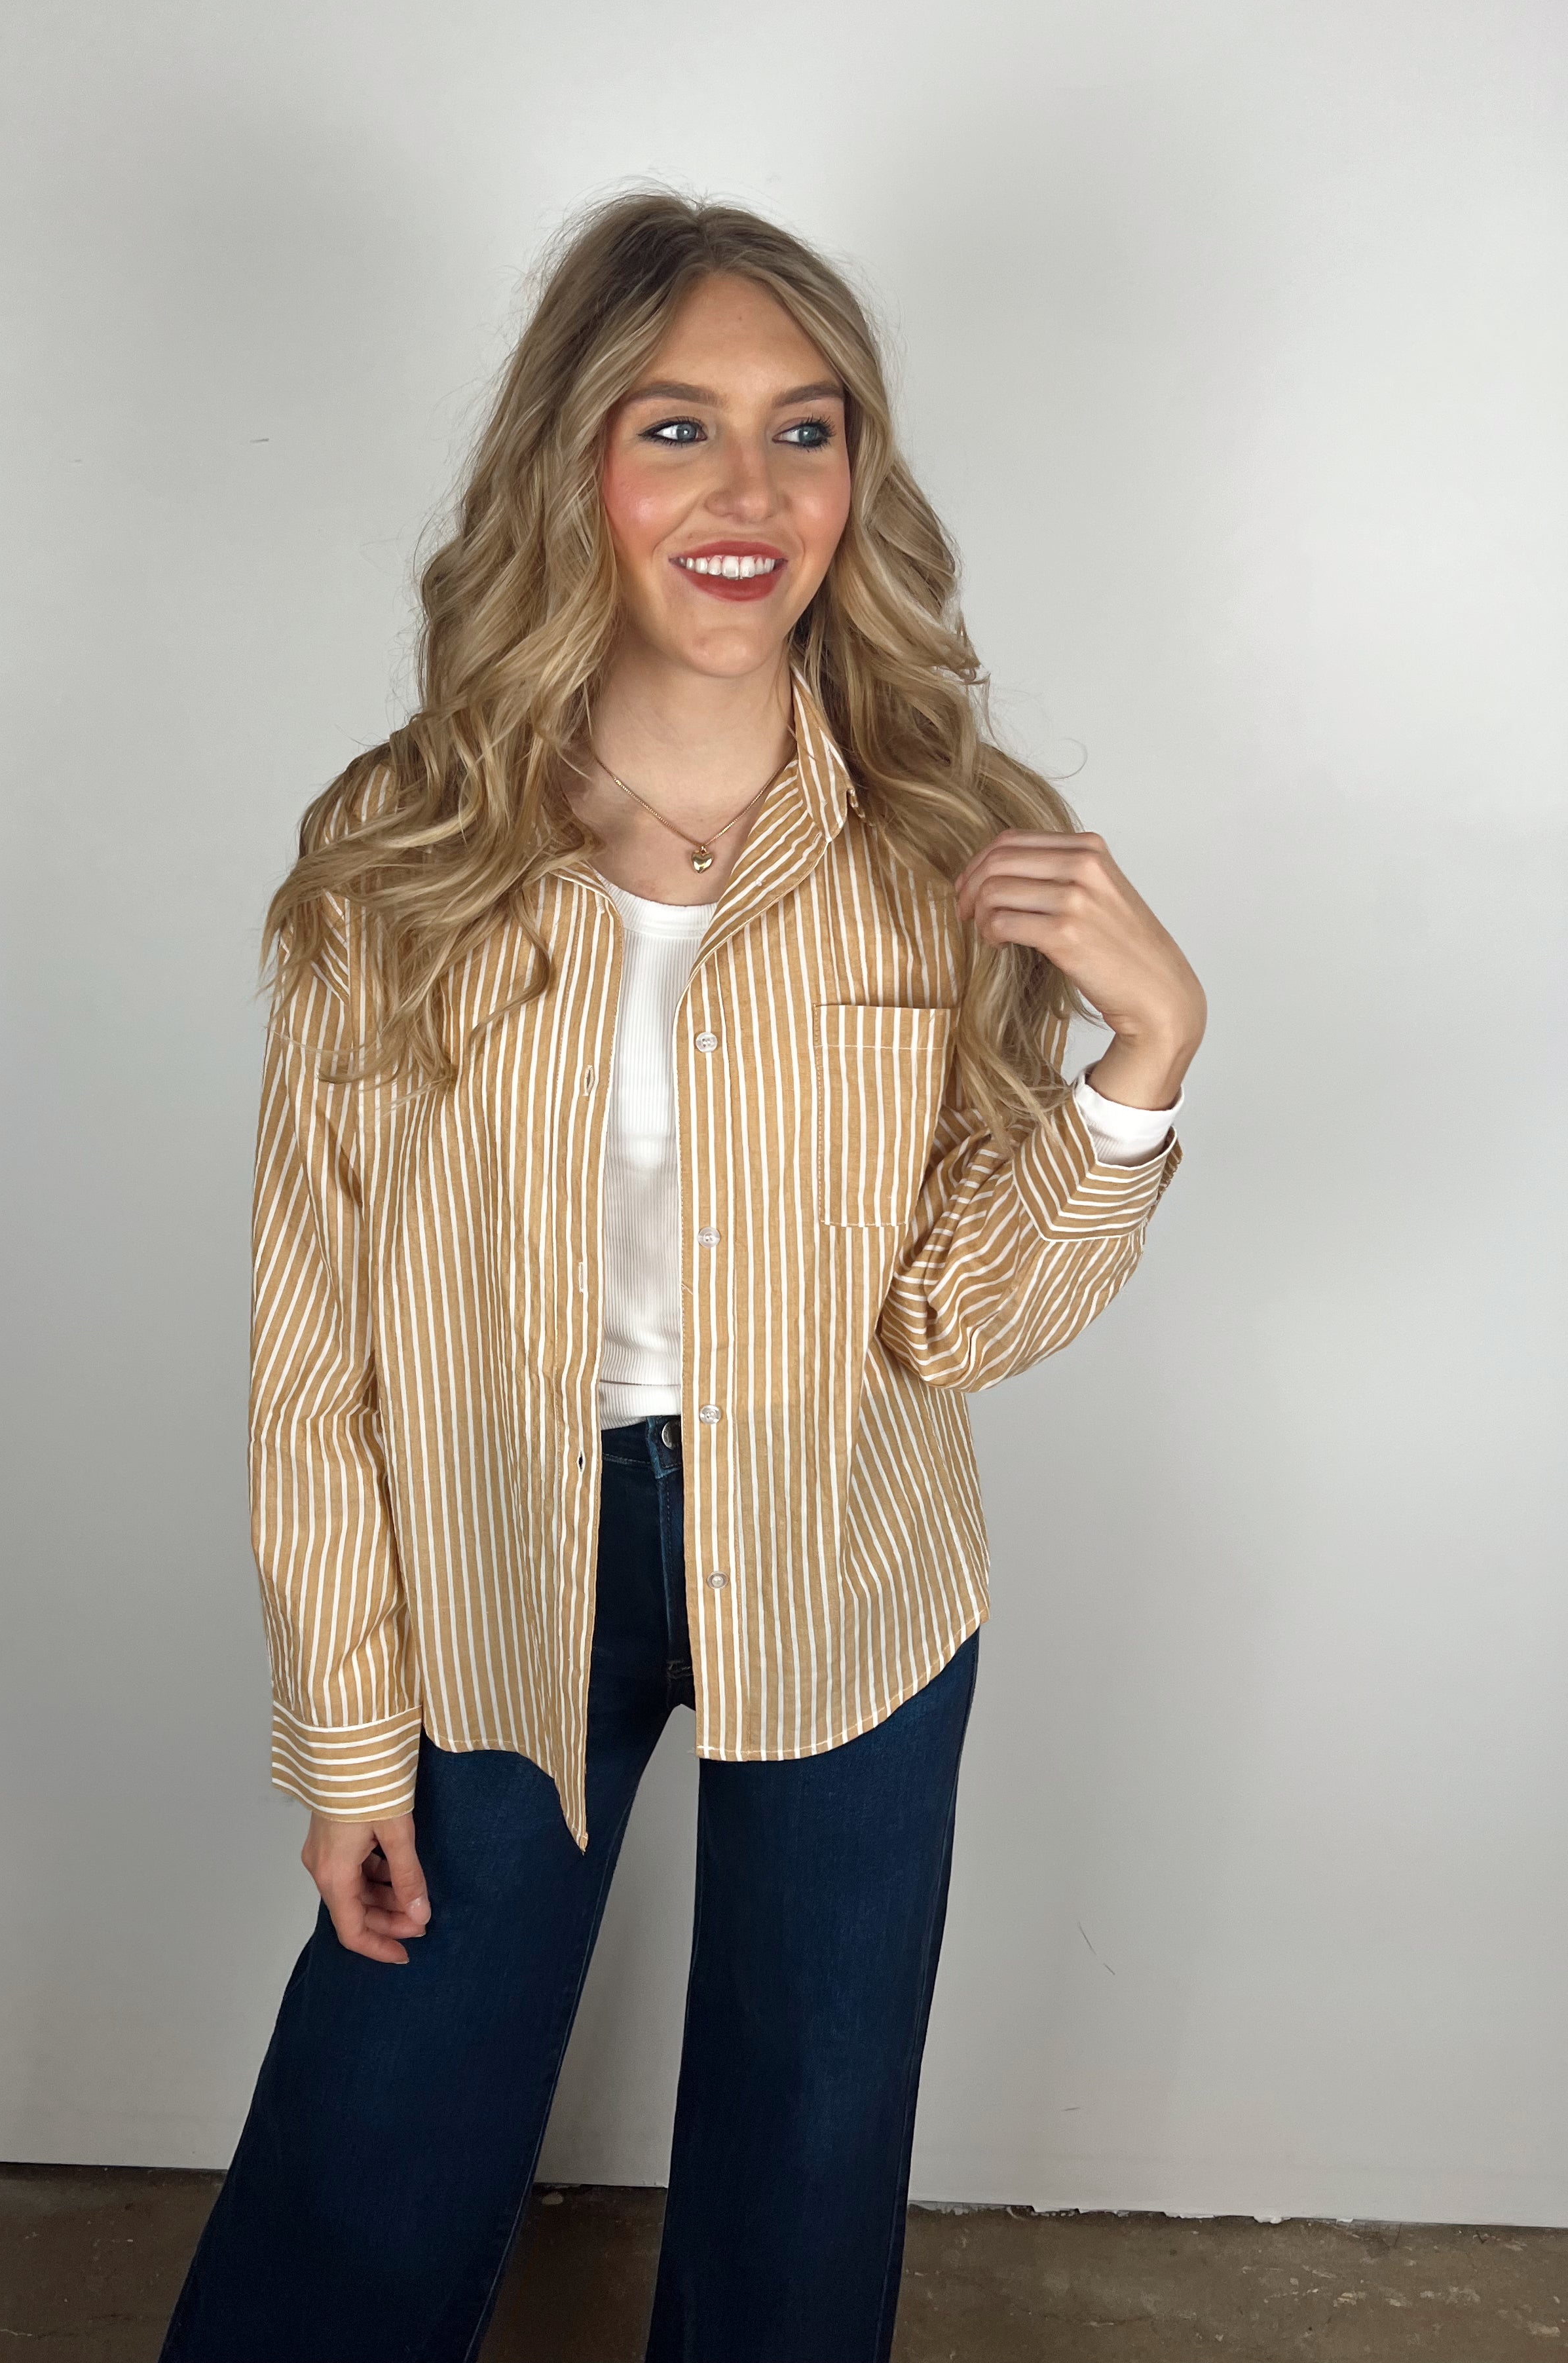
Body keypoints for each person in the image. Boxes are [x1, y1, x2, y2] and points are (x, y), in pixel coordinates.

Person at [157, 192, 1204, 2363]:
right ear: (575, 465)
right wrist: (347, 1737)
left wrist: (1142, 1067)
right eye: (678, 429)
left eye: (805, 431)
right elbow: (316, 1339)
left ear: (858, 477)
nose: (752, 494)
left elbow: (959, 1320)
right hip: (497, 1552)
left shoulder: (943, 844)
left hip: (848, 1548)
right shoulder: (403, 851)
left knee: (809, 2143)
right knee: (385, 2109)